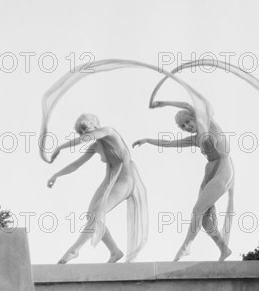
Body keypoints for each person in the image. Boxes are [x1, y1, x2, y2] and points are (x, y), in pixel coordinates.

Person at [133, 100, 234, 261]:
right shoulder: (195, 139)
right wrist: (147, 140)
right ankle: (223, 248)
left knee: (197, 210)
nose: (187, 126)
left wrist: (165, 103)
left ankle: (186, 246)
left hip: (222, 169)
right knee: (206, 220)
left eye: (188, 121)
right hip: (209, 172)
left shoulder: (210, 125)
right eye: (183, 126)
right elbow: (170, 143)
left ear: (195, 118)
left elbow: (188, 105)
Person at [48, 113, 148, 264]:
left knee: (96, 214)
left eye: (86, 130)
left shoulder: (109, 131)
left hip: (125, 180)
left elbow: (84, 139)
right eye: (81, 132)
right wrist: (56, 175)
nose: (84, 134)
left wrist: (60, 147)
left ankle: (74, 250)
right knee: (92, 216)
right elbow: (76, 164)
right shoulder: (95, 146)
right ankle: (115, 251)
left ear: (95, 126)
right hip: (109, 180)